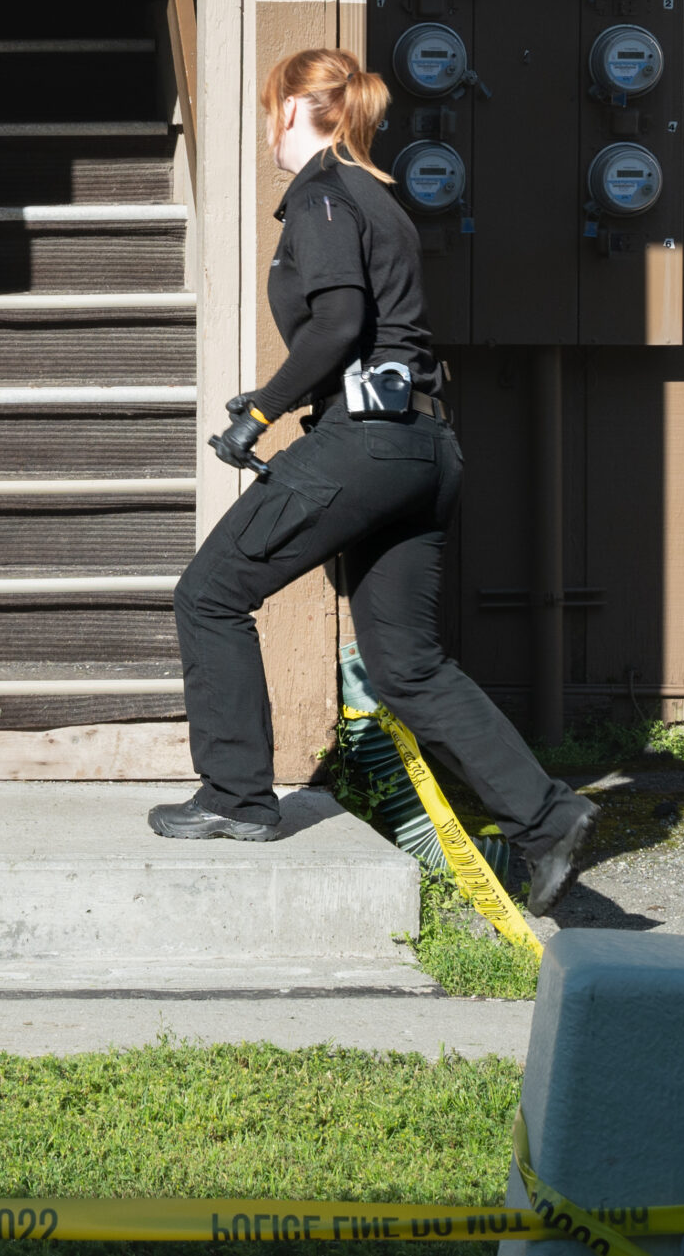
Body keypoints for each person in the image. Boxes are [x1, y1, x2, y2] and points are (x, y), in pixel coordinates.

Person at [147, 46, 597, 917]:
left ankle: (236, 798)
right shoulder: (375, 198)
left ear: (292, 109)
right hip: (426, 447)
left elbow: (340, 320)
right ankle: (546, 817)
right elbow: (366, 333)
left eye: (269, 108)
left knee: (208, 591)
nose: (267, 128)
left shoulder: (319, 191)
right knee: (408, 663)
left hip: (368, 445)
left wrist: (261, 412)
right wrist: (280, 397)